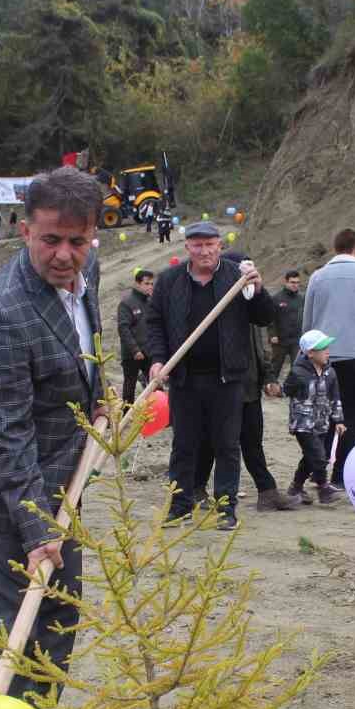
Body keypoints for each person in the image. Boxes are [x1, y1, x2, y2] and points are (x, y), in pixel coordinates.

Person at [0, 167, 104, 704]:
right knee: (18, 623)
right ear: (25, 232)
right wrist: (38, 533)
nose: (64, 255)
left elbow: (86, 336)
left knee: (61, 609)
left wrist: (97, 393)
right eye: (50, 240)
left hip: (62, 476)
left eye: (77, 241)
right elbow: (7, 435)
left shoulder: (88, 270)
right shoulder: (0, 315)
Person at [145, 220, 276, 531]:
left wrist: (257, 291)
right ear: (187, 247)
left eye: (210, 244)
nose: (204, 250)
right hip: (185, 378)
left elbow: (265, 317)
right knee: (184, 445)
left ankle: (225, 508)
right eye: (197, 245)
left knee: (227, 445)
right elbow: (154, 322)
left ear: (220, 245)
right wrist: (158, 359)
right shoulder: (170, 281)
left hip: (227, 379)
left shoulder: (237, 278)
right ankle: (180, 506)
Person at [195, 251, 298, 513]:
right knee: (210, 441)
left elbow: (260, 346)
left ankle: (267, 492)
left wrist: (269, 376)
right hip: (222, 387)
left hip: (249, 387)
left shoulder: (250, 302)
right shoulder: (214, 304)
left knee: (252, 441)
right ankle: (196, 489)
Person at [302, 229, 355, 488]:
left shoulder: (318, 277)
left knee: (323, 416)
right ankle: (340, 476)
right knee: (353, 417)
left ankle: (318, 470)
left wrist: (305, 354)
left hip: (324, 357)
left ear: (335, 249)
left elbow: (308, 319)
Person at [284, 330, 344, 503]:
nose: (327, 351)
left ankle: (296, 487)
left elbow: (335, 397)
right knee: (318, 454)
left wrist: (338, 420)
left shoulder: (330, 373)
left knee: (311, 456)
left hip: (321, 423)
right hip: (303, 424)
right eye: (322, 348)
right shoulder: (297, 372)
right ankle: (323, 487)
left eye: (327, 347)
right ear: (310, 353)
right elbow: (287, 390)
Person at [117, 270, 154, 405]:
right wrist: (135, 350)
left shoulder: (151, 302)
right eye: (146, 283)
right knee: (130, 386)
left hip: (149, 351)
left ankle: (161, 412)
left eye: (151, 284)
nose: (150, 286)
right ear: (138, 284)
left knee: (155, 382)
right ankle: (126, 414)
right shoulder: (126, 303)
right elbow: (123, 329)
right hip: (132, 355)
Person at [267, 269, 304, 382]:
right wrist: (272, 335)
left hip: (296, 340)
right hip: (280, 340)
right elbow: (270, 318)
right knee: (275, 366)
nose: (295, 285)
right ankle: (270, 386)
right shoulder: (276, 298)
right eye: (292, 282)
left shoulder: (301, 299)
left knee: (298, 366)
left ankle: (294, 389)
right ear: (286, 282)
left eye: (297, 283)